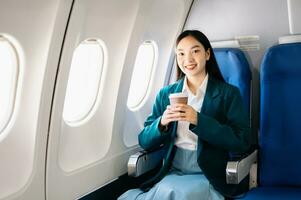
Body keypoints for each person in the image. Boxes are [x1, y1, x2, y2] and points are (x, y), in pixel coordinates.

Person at [118, 30, 251, 200]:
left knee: (180, 195)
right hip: (173, 171)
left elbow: (242, 142)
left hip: (208, 175)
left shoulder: (228, 94)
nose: (187, 59)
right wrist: (162, 123)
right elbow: (144, 140)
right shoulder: (166, 94)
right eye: (181, 53)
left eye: (195, 51)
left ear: (207, 54)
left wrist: (198, 120)